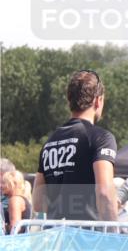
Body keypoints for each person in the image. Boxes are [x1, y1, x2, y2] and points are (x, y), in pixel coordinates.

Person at [32, 70, 117, 221]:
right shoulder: (101, 138)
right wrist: (113, 235)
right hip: (88, 238)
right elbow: (104, 193)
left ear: (69, 101)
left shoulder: (49, 143)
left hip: (56, 237)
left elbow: (38, 203)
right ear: (98, 100)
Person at [1, 169, 32, 234]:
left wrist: (3, 227)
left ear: (13, 184)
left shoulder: (15, 200)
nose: (0, 186)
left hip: (16, 242)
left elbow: (15, 228)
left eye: (3, 183)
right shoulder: (21, 199)